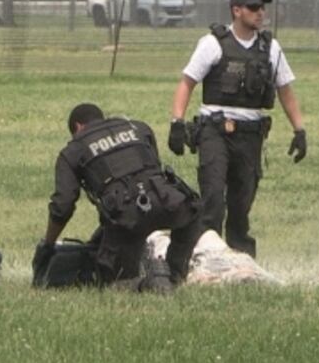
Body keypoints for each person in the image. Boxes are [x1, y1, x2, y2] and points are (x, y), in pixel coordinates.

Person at [168, 0, 306, 257]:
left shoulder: (271, 48)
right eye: (254, 7)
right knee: (213, 198)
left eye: (262, 7)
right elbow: (187, 83)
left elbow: (285, 90)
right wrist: (176, 122)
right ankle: (205, 256)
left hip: (250, 134)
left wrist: (299, 129)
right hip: (214, 131)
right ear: (236, 10)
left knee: (242, 202)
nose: (260, 13)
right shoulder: (213, 44)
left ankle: (240, 259)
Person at [37, 103, 204, 292]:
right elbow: (152, 171)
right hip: (170, 201)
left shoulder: (73, 150)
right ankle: (173, 276)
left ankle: (148, 284)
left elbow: (63, 205)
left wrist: (48, 243)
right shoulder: (139, 128)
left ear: (78, 127)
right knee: (192, 213)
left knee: (111, 283)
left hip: (127, 217)